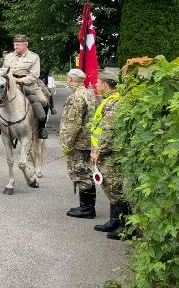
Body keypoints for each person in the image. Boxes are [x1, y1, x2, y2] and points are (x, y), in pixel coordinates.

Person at [90, 71, 129, 239]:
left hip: (110, 153)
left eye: (98, 83)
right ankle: (114, 221)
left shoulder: (112, 103)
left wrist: (98, 151)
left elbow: (109, 132)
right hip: (106, 152)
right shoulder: (109, 100)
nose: (96, 85)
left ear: (105, 84)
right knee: (110, 187)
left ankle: (126, 226)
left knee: (115, 188)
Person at [0, 34, 49, 138]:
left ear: (25, 45)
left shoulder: (34, 57)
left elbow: (34, 75)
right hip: (9, 83)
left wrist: (19, 80)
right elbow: (3, 71)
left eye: (17, 45)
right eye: (14, 45)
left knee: (43, 101)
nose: (15, 47)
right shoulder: (9, 56)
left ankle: (41, 128)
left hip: (28, 84)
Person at [60, 68, 97, 218]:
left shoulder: (76, 97)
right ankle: (87, 207)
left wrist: (67, 144)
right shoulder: (89, 94)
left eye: (68, 78)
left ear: (70, 79)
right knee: (86, 171)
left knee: (80, 172)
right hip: (87, 141)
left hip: (78, 142)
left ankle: (87, 209)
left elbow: (73, 124)